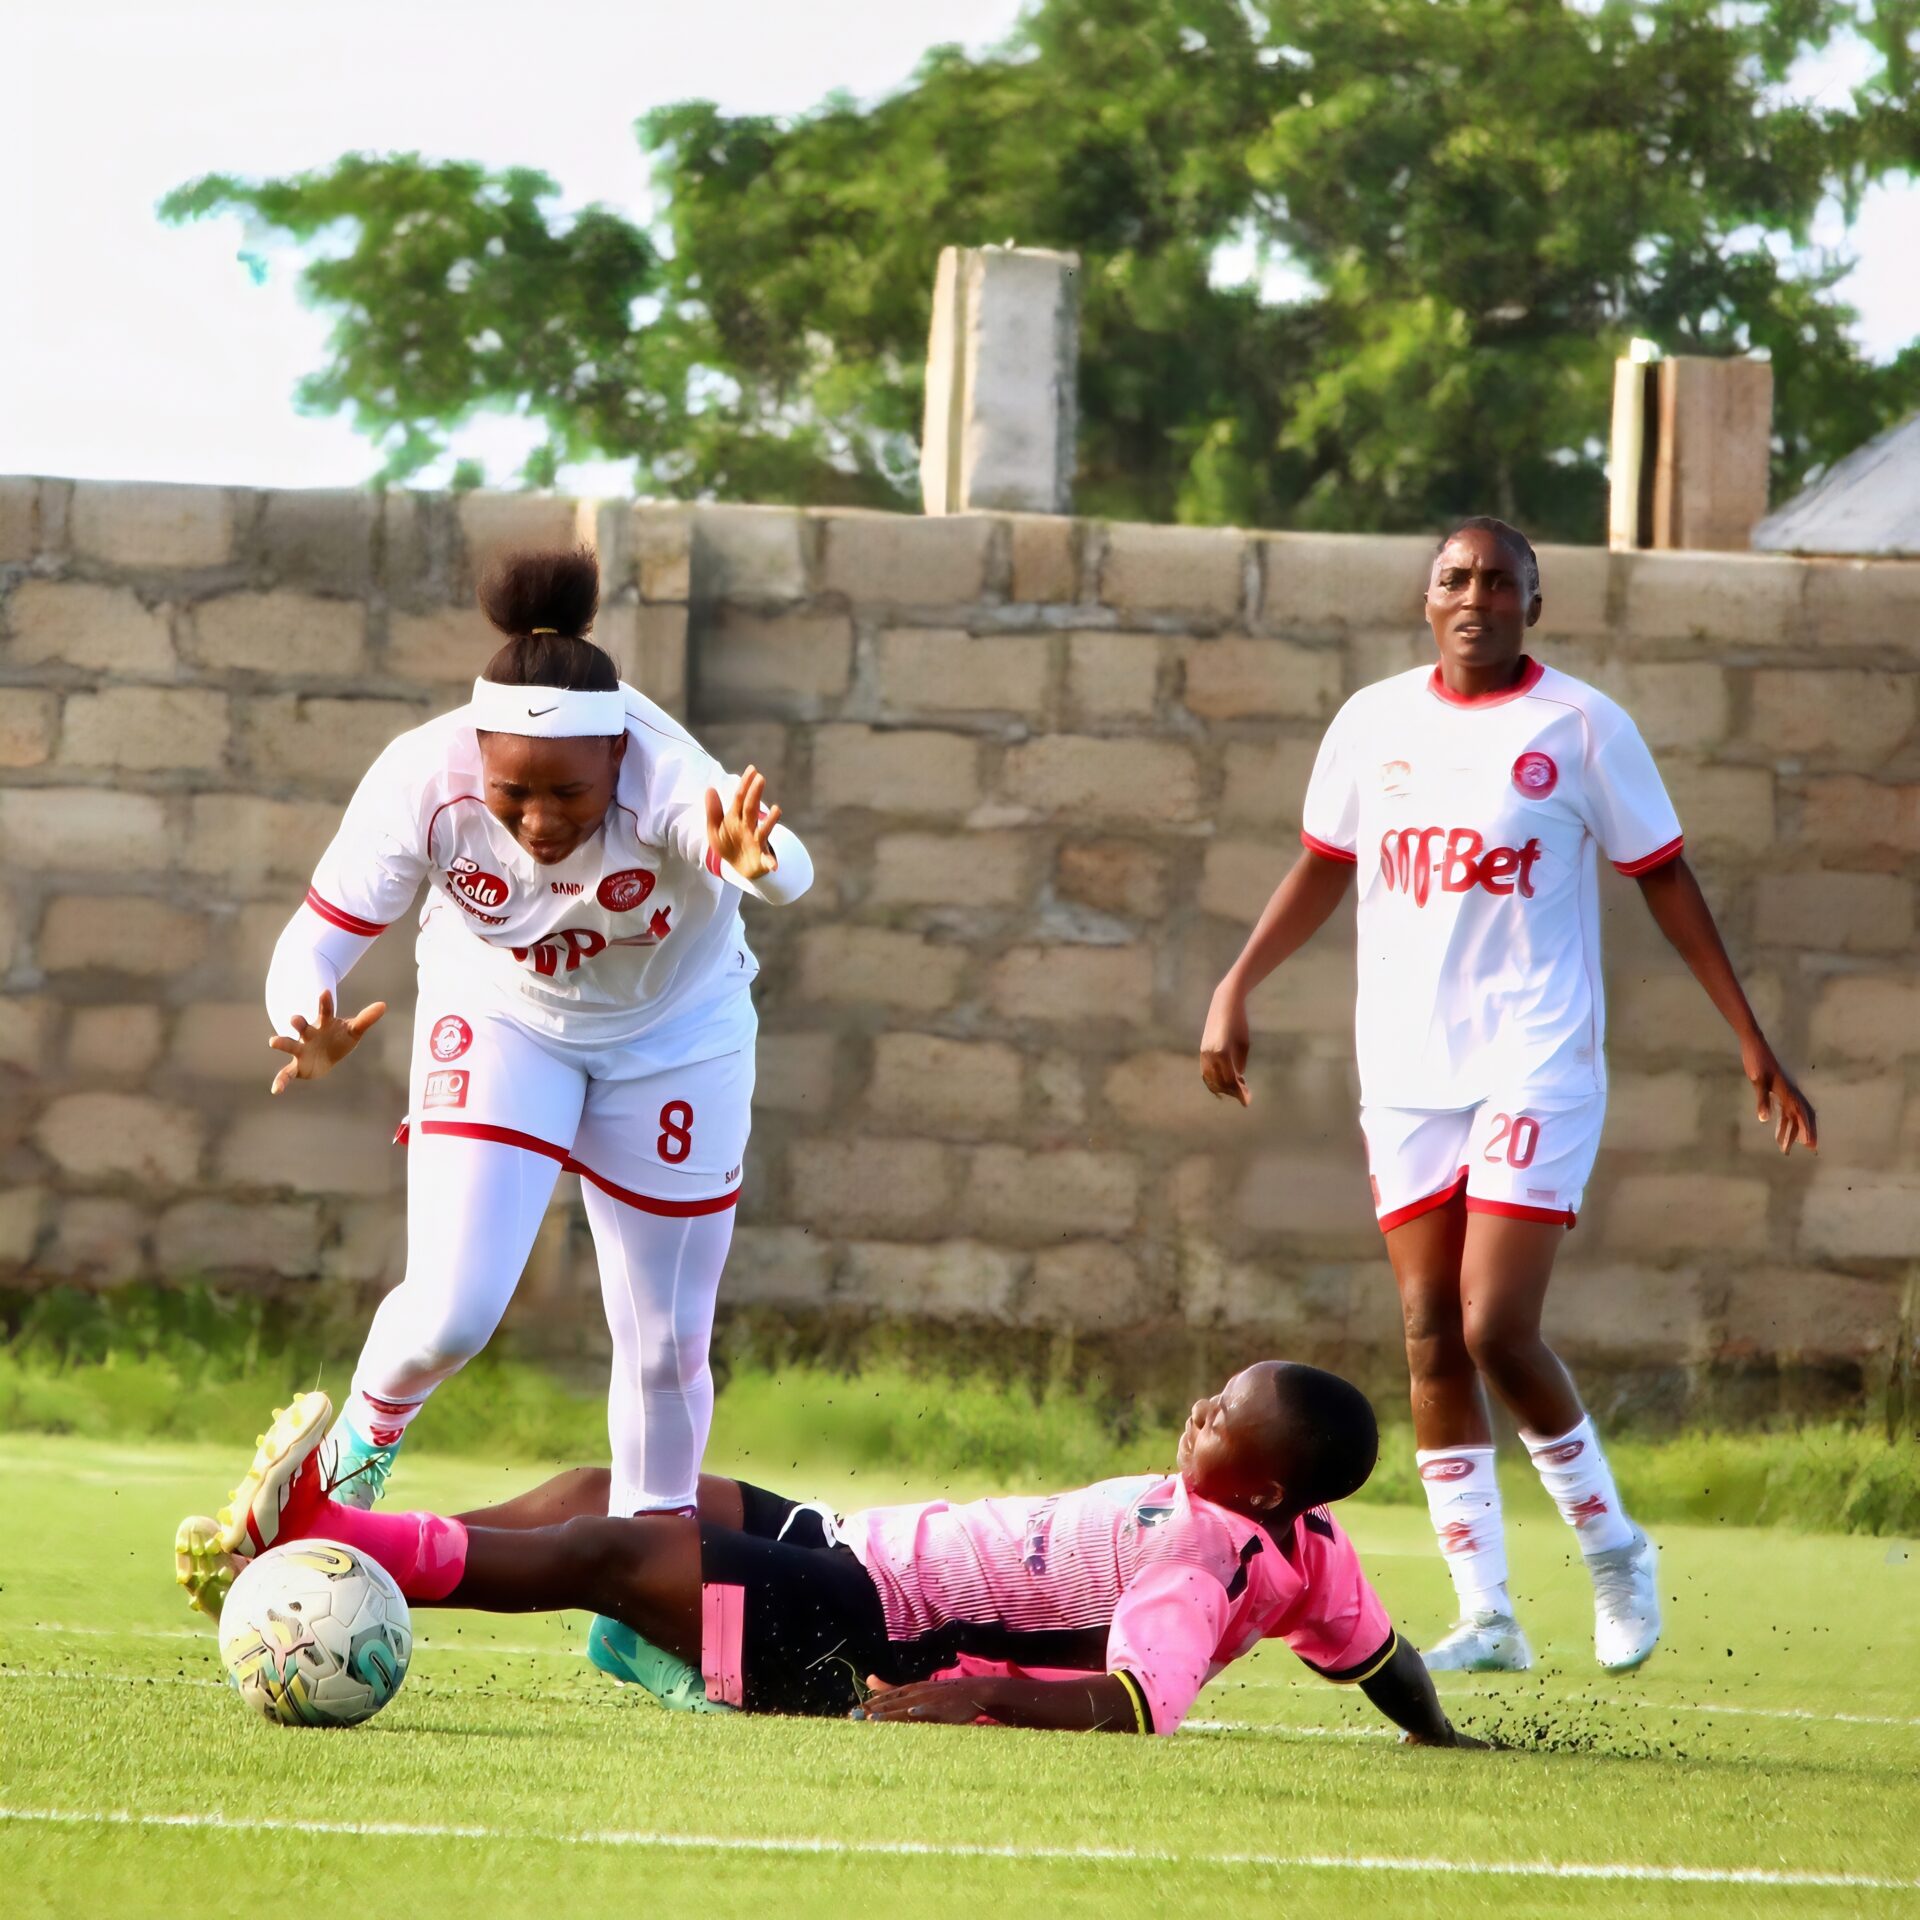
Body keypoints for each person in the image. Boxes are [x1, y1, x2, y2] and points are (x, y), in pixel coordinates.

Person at [1198, 518, 1815, 1676]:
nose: (1474, 596)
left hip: (1536, 1055)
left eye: (1498, 581)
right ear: (1427, 598)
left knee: (1495, 1325)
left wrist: (1749, 1037)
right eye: (1455, 578)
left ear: (1534, 603)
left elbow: (1664, 876)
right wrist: (1237, 983)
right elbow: (1325, 864)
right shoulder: (1372, 721)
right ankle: (1487, 1615)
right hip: (1405, 1068)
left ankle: (1614, 1549)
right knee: (1431, 1332)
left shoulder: (1580, 728)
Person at [262, 545, 812, 1528]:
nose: (539, 821)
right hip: (501, 1017)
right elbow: (314, 939)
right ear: (477, 755)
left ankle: (651, 1565)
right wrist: (303, 1016)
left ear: (617, 757)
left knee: (666, 1344)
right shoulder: (421, 777)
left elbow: (789, 871)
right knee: (450, 1315)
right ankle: (354, 1460)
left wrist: (755, 865)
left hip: (678, 1039)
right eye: (512, 794)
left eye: (568, 795)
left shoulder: (671, 779)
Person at [175, 1363, 1477, 1744]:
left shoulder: (1204, 1557)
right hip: (857, 1549)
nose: (1195, 1410)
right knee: (610, 1487)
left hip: (872, 1629)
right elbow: (1385, 1660)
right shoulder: (1313, 1543)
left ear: (1260, 1481)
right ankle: (327, 1537)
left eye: (1219, 1415)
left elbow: (1142, 1702)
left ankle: (330, 1537)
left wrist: (976, 1694)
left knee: (610, 1552)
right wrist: (1443, 1736)